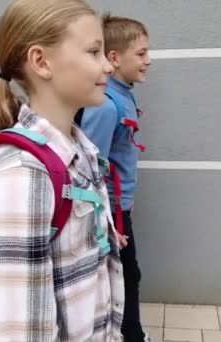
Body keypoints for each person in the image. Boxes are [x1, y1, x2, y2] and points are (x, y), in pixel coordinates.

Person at [0, 1, 125, 340]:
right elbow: (18, 332)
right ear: (41, 62)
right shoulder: (23, 174)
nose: (107, 66)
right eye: (93, 51)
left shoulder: (79, 150)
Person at [77, 13, 152, 342]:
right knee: (126, 274)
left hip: (121, 207)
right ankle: (130, 335)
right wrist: (106, 219)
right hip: (112, 212)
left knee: (125, 274)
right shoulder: (107, 106)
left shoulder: (122, 94)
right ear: (113, 58)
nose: (148, 61)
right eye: (141, 54)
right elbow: (89, 168)